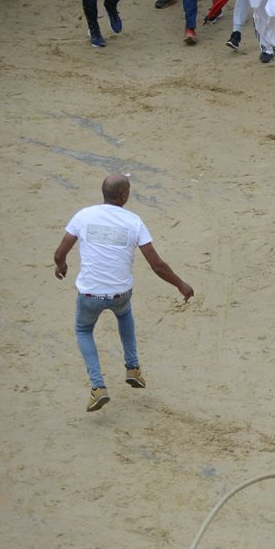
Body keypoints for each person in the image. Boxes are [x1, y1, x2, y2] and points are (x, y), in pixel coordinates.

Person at [53, 173, 193, 413]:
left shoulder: (83, 216)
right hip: (120, 293)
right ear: (124, 196)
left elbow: (60, 252)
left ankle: (98, 387)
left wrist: (61, 265)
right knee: (124, 315)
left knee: (84, 330)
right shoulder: (133, 222)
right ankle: (132, 367)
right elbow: (157, 264)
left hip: (89, 295)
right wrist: (180, 284)